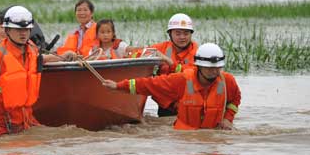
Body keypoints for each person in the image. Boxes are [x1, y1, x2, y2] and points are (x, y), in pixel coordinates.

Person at [102, 43, 241, 130]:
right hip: (184, 138)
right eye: (210, 68)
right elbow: (150, 85)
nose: (214, 72)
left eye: (217, 68)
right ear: (198, 66)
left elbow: (235, 99)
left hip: (214, 135)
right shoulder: (182, 80)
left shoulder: (227, 81)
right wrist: (118, 85)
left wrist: (228, 119)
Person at [0, 6, 49, 136]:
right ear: (7, 30)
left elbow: (41, 58)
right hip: (0, 123)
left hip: (25, 119)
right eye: (18, 30)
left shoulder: (32, 50)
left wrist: (65, 56)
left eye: (26, 29)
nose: (23, 33)